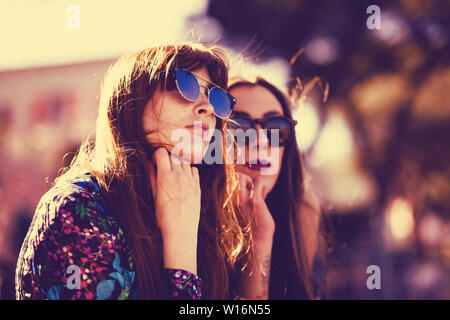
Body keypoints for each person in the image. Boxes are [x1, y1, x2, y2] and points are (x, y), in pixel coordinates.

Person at [15, 43, 254, 300]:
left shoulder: (201, 211)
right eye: (186, 85)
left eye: (216, 98)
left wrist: (260, 245)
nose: (207, 107)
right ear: (133, 99)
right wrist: (181, 243)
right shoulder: (78, 206)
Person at [228, 76, 326, 299]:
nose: (261, 140)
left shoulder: (302, 210)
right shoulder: (183, 216)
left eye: (276, 128)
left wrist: (260, 238)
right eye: (238, 126)